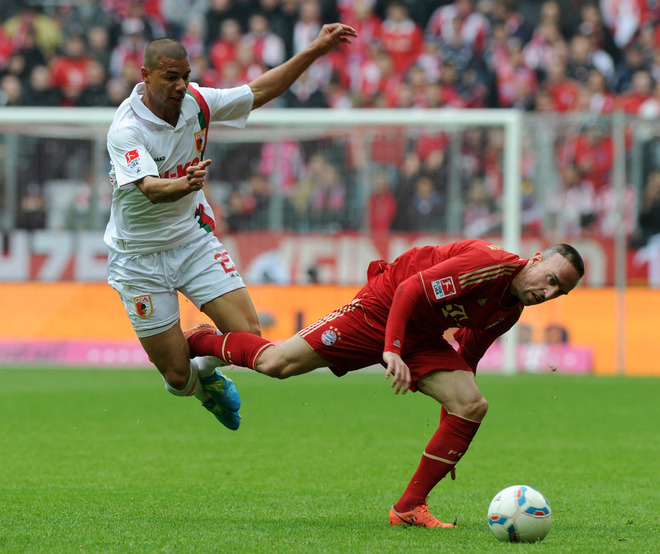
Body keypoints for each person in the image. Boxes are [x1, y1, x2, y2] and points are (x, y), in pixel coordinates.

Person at [183, 239, 584, 527]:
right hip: (380, 310)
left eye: (558, 292)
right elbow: (410, 289)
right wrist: (390, 349)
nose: (547, 293)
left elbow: (468, 360)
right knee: (277, 364)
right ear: (535, 259)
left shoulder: (507, 313)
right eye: (549, 279)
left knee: (471, 404)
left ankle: (410, 506)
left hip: (420, 336)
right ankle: (200, 340)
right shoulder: (487, 263)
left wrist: (452, 434)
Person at [104, 24, 358, 431]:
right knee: (175, 378)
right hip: (138, 258)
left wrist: (315, 49)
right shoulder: (127, 130)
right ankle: (200, 386)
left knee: (249, 334)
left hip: (191, 240)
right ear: (145, 75)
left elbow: (258, 91)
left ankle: (204, 363)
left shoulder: (197, 102)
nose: (181, 85)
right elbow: (150, 189)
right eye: (170, 77)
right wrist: (183, 184)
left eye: (185, 75)